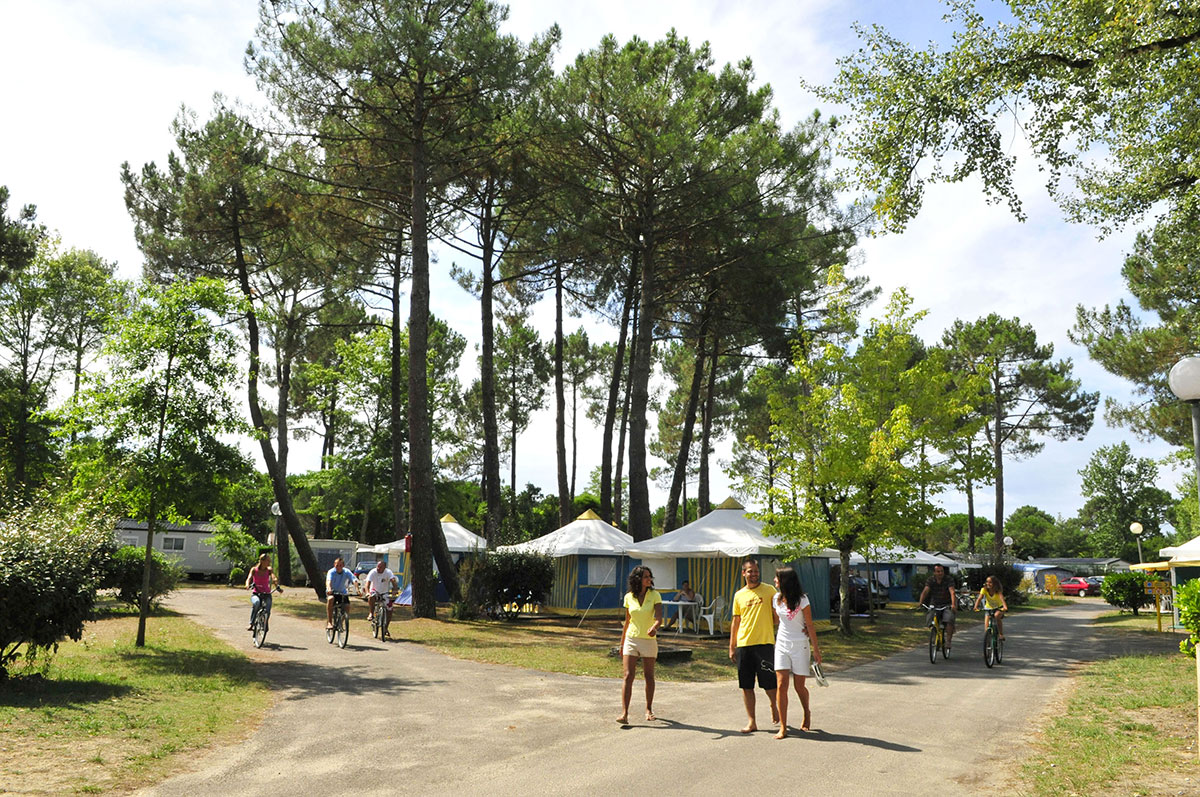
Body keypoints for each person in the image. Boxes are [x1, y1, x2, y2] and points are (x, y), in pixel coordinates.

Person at [729, 558, 779, 734]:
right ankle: (752, 721)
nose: (754, 574)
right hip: (744, 645)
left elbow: (777, 614)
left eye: (756, 571)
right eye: (750, 571)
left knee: (769, 683)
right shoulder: (739, 595)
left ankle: (774, 705)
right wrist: (732, 646)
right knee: (746, 685)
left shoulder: (770, 590)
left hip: (764, 643)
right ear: (744, 573)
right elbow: (736, 621)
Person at [771, 567, 821, 738]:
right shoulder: (776, 599)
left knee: (799, 686)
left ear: (785, 580)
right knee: (781, 684)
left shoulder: (802, 600)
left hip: (800, 645)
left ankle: (806, 712)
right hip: (782, 645)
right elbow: (777, 621)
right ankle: (783, 727)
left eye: (777, 578)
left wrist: (816, 650)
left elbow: (810, 625)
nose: (774, 580)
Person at [617, 565, 663, 725]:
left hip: (648, 640)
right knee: (628, 675)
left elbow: (659, 617)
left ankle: (649, 708)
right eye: (646, 577)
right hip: (631, 638)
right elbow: (627, 621)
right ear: (638, 579)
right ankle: (624, 713)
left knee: (648, 676)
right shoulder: (628, 597)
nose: (649, 579)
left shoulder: (655, 595)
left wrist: (655, 627)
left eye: (650, 576)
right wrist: (622, 644)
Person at [918, 563, 957, 650]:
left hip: (947, 603)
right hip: (935, 603)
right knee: (930, 618)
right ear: (934, 572)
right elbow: (925, 591)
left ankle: (948, 641)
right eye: (938, 571)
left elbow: (952, 592)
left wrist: (953, 604)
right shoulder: (930, 580)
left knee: (949, 620)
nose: (940, 573)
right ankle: (935, 634)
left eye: (942, 571)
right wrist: (920, 602)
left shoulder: (948, 579)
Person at [245, 553, 281, 630]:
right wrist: (247, 584)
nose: (269, 562)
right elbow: (249, 578)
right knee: (256, 603)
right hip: (256, 593)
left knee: (268, 608)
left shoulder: (269, 570)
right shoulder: (254, 569)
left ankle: (264, 623)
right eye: (268, 560)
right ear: (262, 561)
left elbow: (273, 577)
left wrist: (276, 585)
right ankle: (251, 624)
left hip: (267, 594)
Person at [974, 574, 1009, 640]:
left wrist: (1005, 607)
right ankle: (988, 642)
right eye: (987, 582)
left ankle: (1001, 634)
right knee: (987, 629)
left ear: (995, 584)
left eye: (990, 582)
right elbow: (979, 598)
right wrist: (976, 606)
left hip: (998, 608)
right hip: (988, 608)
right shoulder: (984, 589)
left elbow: (1002, 598)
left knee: (997, 615)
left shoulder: (997, 590)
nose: (988, 584)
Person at [325, 557, 355, 630]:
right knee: (331, 599)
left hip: (342, 593)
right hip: (332, 592)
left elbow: (354, 579)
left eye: (340, 565)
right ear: (334, 565)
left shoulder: (346, 572)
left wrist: (358, 589)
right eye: (337, 565)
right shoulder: (331, 572)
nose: (338, 567)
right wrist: (329, 589)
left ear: (343, 566)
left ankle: (341, 622)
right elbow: (328, 581)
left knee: (347, 606)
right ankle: (329, 622)